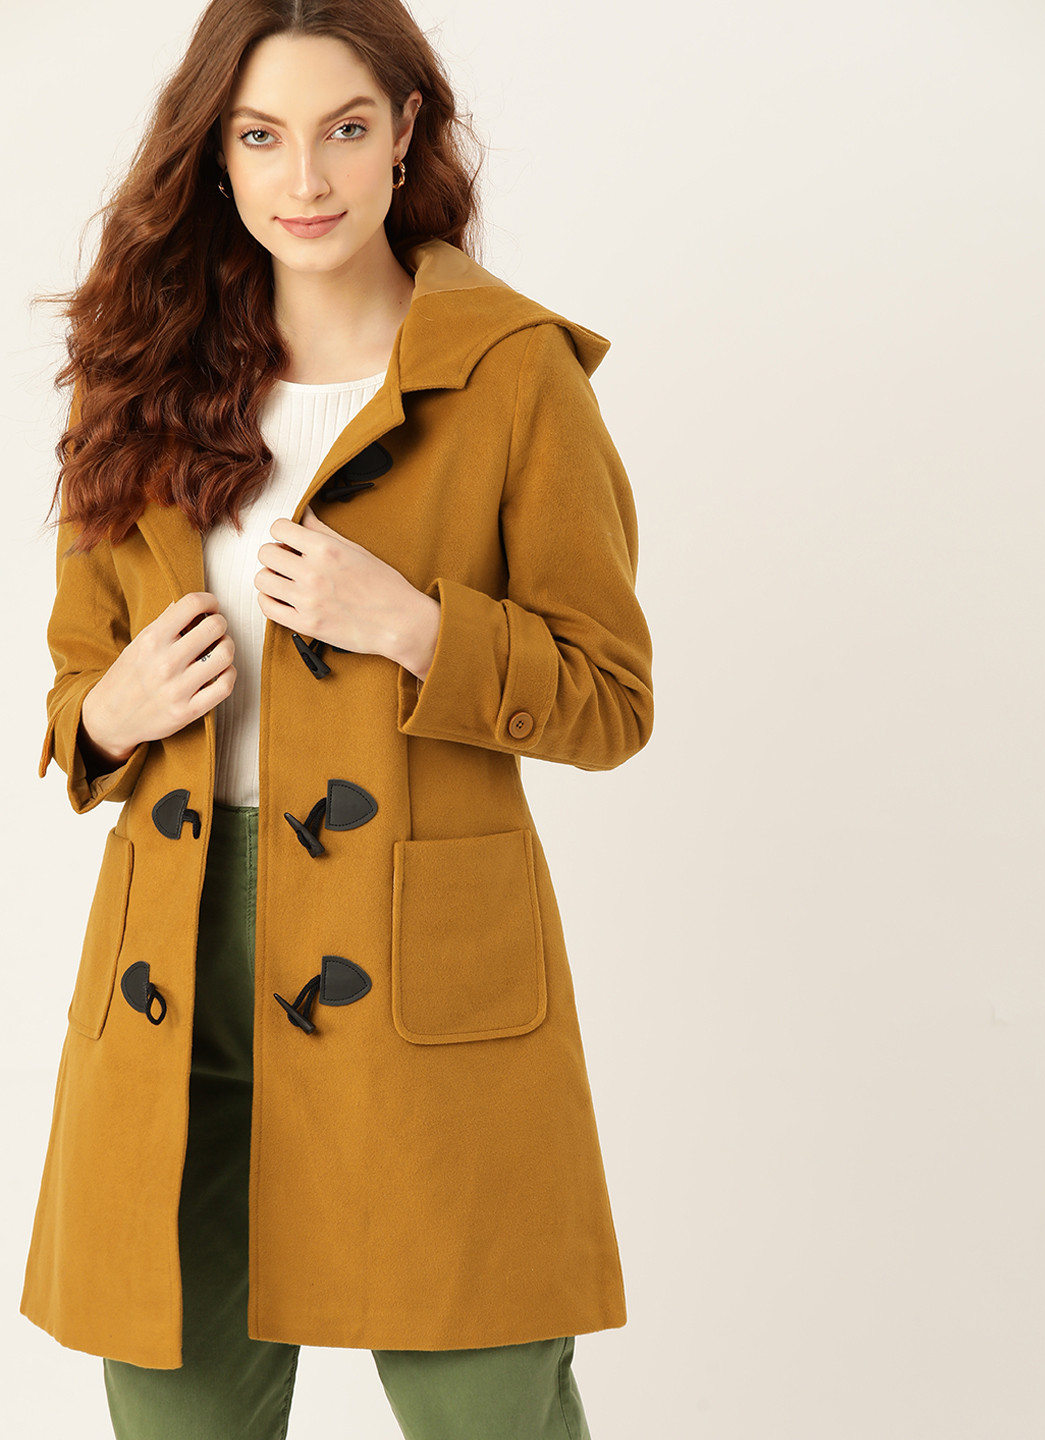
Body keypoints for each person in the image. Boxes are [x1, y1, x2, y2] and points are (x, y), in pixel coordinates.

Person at [21, 1, 653, 1436]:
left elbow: (612, 698)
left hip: (425, 977)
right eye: (261, 137)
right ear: (215, 153)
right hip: (174, 968)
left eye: (344, 130)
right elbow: (75, 689)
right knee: (175, 1414)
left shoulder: (513, 374)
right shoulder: (140, 378)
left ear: (406, 133)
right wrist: (108, 713)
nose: (303, 180)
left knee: (488, 1409)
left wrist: (421, 627)